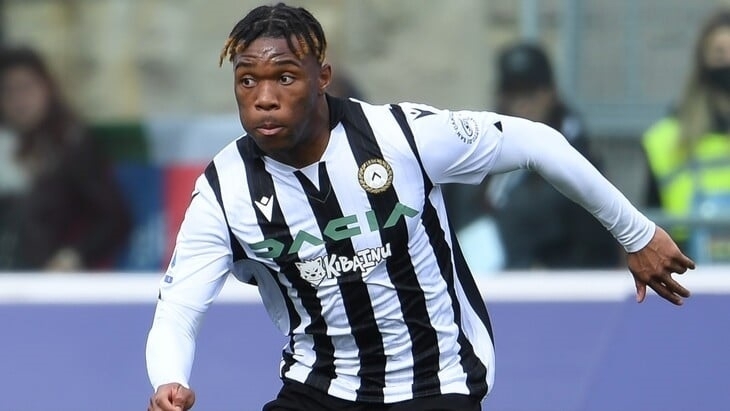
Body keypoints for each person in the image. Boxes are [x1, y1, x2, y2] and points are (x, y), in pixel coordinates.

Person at [146, 4, 695, 410]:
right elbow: (179, 308)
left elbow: (537, 142)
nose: (264, 98)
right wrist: (169, 379)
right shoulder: (224, 189)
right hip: (319, 387)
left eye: (284, 77)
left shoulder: (401, 137)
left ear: (322, 78)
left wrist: (636, 233)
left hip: (438, 383)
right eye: (247, 81)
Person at [484, 42, 620, 269]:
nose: (522, 104)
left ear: (552, 93)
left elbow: (597, 248)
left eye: (531, 93)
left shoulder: (577, 159)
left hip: (563, 284)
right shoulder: (484, 151)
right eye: (512, 94)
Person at [0, 46, 131, 271]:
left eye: (26, 88)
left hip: (40, 273)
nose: (18, 100)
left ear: (47, 88)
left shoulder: (70, 143)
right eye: (8, 91)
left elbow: (114, 219)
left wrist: (72, 257)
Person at [643, 9, 730, 263]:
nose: (727, 61)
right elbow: (651, 224)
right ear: (703, 63)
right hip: (691, 276)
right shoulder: (666, 138)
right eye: (719, 53)